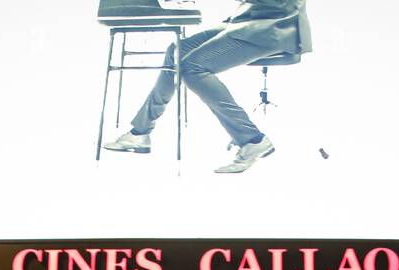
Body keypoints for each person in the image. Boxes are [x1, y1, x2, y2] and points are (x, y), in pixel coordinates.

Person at [104, 0, 313, 174]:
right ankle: (140, 133)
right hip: (248, 20)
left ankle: (252, 139)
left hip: (274, 26)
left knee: (192, 67)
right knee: (176, 51)